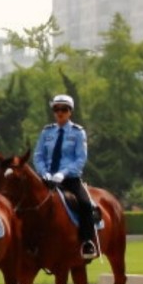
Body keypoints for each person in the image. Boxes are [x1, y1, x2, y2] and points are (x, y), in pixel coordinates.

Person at [33, 94, 97, 259]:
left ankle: (88, 242)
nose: (60, 112)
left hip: (69, 179)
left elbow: (80, 158)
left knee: (85, 204)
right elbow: (38, 155)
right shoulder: (47, 132)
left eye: (64, 109)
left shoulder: (77, 132)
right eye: (56, 109)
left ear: (70, 112)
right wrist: (43, 172)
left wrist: (63, 173)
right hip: (47, 179)